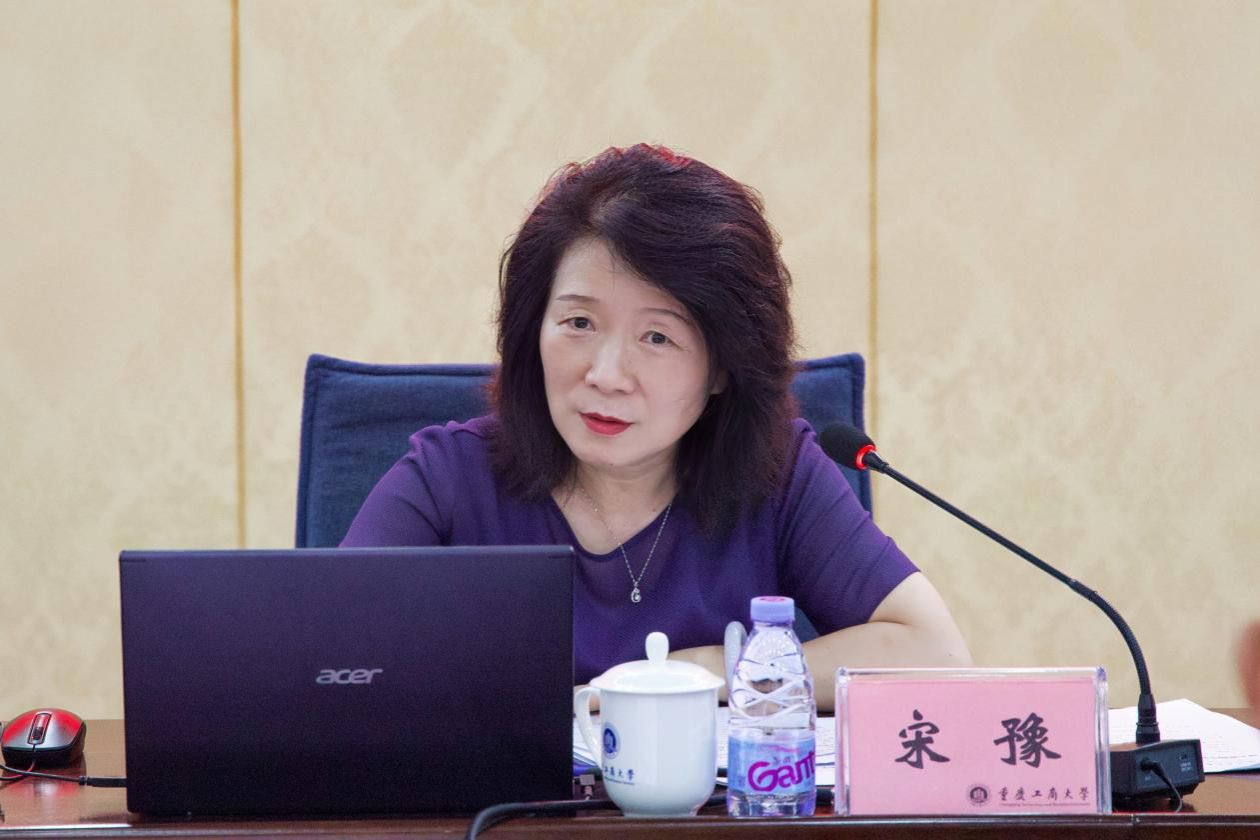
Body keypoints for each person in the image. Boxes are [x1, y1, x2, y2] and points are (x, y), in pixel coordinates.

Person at [341, 143, 971, 710]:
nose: (606, 375)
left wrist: (710, 672)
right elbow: (332, 668)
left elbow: (934, 653)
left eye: (657, 337)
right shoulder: (447, 479)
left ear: (723, 367)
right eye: (579, 323)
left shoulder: (778, 477)